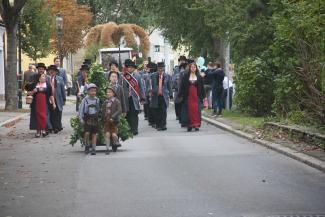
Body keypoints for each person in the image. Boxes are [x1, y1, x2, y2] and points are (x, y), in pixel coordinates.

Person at [25, 73, 55, 138]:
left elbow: (51, 95)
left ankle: (44, 130)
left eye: (44, 76)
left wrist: (53, 103)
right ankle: (38, 131)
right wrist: (33, 91)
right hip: (36, 103)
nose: (44, 77)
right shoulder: (34, 85)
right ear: (39, 78)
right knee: (37, 117)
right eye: (43, 76)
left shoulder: (48, 85)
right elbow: (28, 93)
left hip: (45, 103)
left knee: (44, 116)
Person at [178, 63, 205, 132]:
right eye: (192, 67)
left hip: (196, 96)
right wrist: (180, 95)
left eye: (194, 67)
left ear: (196, 68)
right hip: (188, 96)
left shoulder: (199, 77)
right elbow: (182, 86)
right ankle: (189, 125)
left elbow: (202, 88)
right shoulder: (186, 76)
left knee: (196, 111)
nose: (193, 68)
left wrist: (204, 96)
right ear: (189, 68)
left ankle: (196, 125)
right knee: (188, 111)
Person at [122, 59, 145, 135]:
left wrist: (142, 98)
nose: (130, 69)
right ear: (126, 68)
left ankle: (134, 129)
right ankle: (128, 129)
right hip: (125, 98)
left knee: (134, 114)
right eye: (129, 67)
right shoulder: (123, 76)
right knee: (127, 114)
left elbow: (141, 88)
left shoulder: (138, 76)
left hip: (134, 98)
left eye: (132, 67)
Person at [149, 62, 173, 131]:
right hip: (155, 96)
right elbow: (150, 85)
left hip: (164, 96)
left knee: (163, 111)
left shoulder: (167, 76)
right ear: (157, 68)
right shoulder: (152, 76)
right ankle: (158, 125)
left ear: (164, 68)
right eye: (159, 68)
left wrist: (171, 95)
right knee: (156, 111)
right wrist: (149, 91)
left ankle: (163, 125)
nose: (160, 69)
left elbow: (169, 86)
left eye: (162, 68)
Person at [79, 84, 100, 155]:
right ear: (88, 92)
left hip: (94, 118)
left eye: (94, 91)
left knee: (94, 134)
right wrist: (81, 119)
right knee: (87, 133)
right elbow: (81, 110)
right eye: (91, 91)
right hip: (87, 118)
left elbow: (98, 109)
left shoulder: (97, 99)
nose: (93, 92)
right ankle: (87, 145)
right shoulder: (85, 100)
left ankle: (94, 148)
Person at [102, 86, 122, 155]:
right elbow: (103, 111)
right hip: (107, 121)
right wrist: (104, 118)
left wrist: (113, 117)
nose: (108, 93)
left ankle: (116, 142)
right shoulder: (105, 102)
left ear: (113, 93)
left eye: (109, 92)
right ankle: (107, 149)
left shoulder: (116, 101)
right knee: (107, 134)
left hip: (114, 121)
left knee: (113, 135)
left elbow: (119, 110)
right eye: (107, 92)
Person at [48, 65, 66, 134]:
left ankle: (57, 127)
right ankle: (52, 127)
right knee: (52, 113)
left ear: (56, 72)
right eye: (50, 70)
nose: (52, 72)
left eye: (53, 71)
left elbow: (62, 90)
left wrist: (64, 99)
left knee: (58, 113)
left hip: (58, 98)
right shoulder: (47, 79)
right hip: (50, 98)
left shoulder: (60, 79)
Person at [172, 56, 187, 121]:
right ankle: (178, 115)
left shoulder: (187, 68)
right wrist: (174, 86)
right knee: (177, 102)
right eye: (181, 60)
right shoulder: (176, 69)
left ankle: (182, 115)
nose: (182, 61)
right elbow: (173, 79)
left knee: (183, 103)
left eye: (183, 60)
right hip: (177, 88)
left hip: (184, 89)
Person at [147, 62, 158, 128]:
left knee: (152, 108)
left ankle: (152, 121)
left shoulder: (152, 75)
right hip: (150, 92)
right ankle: (152, 121)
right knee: (151, 107)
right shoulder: (149, 75)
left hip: (153, 92)